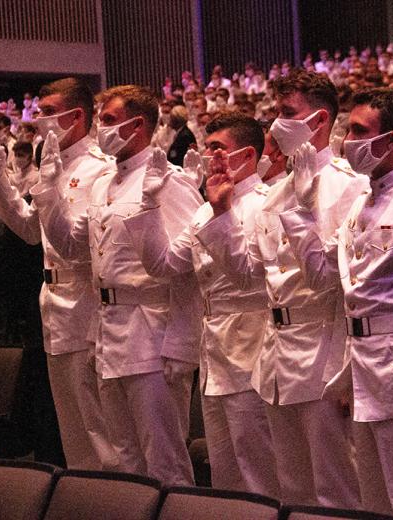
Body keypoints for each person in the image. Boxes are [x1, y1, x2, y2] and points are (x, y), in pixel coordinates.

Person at [195, 69, 364, 508]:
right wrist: (221, 217)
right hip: (275, 355)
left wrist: (305, 211)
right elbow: (251, 276)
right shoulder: (277, 192)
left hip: (323, 353)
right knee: (291, 492)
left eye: (288, 113)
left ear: (320, 120)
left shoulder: (350, 186)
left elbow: (337, 284)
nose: (276, 123)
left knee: (334, 490)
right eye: (276, 112)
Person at [30, 85, 203, 485]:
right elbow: (73, 248)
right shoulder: (104, 182)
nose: (101, 128)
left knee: (164, 461)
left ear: (137, 124)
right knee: (124, 462)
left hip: (153, 334)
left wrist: (182, 344)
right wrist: (50, 193)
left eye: (107, 120)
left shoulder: (167, 181)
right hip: (108, 332)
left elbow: (189, 271)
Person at [278, 88, 393, 519]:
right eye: (348, 130)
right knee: (373, 500)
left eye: (360, 131)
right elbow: (323, 275)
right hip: (359, 361)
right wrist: (302, 208)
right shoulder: (360, 203)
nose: (348, 140)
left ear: (391, 142)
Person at [122, 111, 279, 495]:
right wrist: (150, 204)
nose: (210, 157)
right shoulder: (204, 208)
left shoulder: (266, 203)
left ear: (248, 154)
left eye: (218, 149)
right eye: (207, 148)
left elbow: (251, 276)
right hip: (214, 352)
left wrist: (223, 212)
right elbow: (165, 266)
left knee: (257, 465)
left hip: (253, 345)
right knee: (223, 469)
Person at [0, 78, 117, 471]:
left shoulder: (98, 170)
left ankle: (113, 505)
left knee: (97, 426)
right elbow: (28, 230)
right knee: (71, 428)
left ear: (77, 116)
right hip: (54, 305)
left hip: (87, 303)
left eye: (48, 111)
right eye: (38, 111)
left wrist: (50, 186)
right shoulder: (51, 164)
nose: (38, 120)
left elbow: (75, 245)